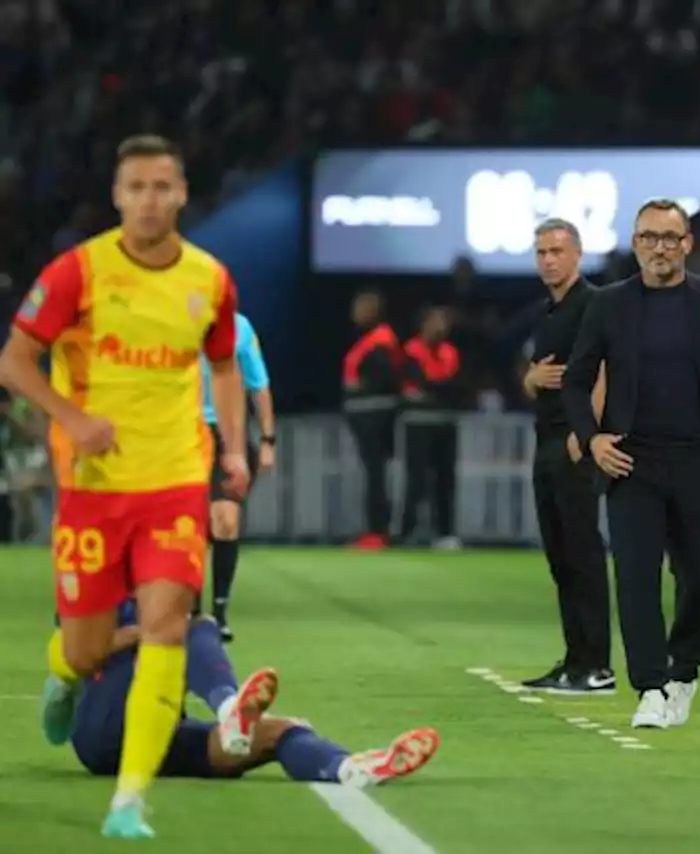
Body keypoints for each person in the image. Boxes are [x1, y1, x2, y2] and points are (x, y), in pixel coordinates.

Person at [0, 133, 250, 838]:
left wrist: (233, 450)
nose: (149, 200)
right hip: (94, 487)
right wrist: (72, 419)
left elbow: (225, 367)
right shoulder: (79, 272)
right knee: (88, 647)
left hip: (173, 481)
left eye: (161, 187)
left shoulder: (210, 279)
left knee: (168, 625)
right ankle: (62, 671)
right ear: (118, 196)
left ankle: (130, 799)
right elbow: (15, 362)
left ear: (182, 194)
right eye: (135, 187)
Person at [563, 199, 700, 729]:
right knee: (634, 578)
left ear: (688, 244)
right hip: (631, 462)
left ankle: (684, 672)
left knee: (697, 578)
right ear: (635, 244)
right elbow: (575, 379)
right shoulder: (609, 304)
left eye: (670, 238)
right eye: (650, 237)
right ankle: (651, 688)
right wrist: (592, 440)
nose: (660, 247)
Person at [71, 603, 439, 797]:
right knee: (196, 626)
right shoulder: (102, 565)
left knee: (279, 731)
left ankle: (348, 768)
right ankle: (230, 707)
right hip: (103, 729)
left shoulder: (170, 569)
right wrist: (147, 633)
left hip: (157, 734)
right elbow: (75, 650)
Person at [520, 218, 613, 694]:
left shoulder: (594, 305)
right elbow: (534, 377)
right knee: (560, 555)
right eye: (541, 252)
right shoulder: (548, 313)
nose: (549, 259)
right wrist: (531, 381)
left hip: (574, 442)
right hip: (546, 440)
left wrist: (587, 432)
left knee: (583, 551)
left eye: (557, 250)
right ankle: (576, 658)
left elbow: (607, 369)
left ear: (577, 253)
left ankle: (597, 663)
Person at [199, 311, 275, 641]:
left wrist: (267, 439)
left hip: (225, 434)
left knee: (226, 519)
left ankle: (218, 610)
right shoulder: (170, 319)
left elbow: (259, 384)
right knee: (188, 527)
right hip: (179, 431)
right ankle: (187, 610)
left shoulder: (240, 327)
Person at [343, 291, 402, 551]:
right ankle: (375, 529)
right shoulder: (371, 341)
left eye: (360, 308)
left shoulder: (381, 342)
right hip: (366, 415)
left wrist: (359, 388)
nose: (355, 313)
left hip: (375, 417)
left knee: (376, 474)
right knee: (373, 474)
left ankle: (379, 530)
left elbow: (387, 379)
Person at [400, 305, 463, 548]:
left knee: (445, 479)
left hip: (445, 421)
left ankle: (445, 533)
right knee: (416, 479)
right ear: (423, 324)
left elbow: (457, 386)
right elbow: (417, 382)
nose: (441, 327)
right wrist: (438, 390)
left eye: (444, 322)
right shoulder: (411, 351)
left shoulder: (451, 352)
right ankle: (408, 531)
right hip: (418, 422)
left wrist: (433, 391)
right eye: (436, 321)